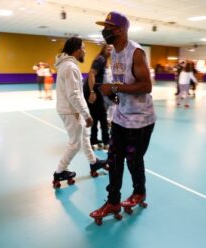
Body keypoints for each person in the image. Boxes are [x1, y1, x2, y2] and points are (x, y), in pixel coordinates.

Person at [89, 11, 156, 224]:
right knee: (114, 159)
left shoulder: (135, 52)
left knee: (133, 160)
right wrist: (113, 94)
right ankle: (113, 201)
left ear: (121, 30)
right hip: (120, 116)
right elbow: (123, 86)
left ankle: (139, 192)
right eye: (105, 26)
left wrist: (116, 87)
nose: (105, 31)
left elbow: (146, 86)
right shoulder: (114, 53)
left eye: (109, 27)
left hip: (140, 119)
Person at [53, 37, 108, 188]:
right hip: (71, 111)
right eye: (83, 48)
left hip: (70, 109)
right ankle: (60, 171)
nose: (85, 50)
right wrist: (86, 114)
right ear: (76, 50)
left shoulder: (67, 65)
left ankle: (93, 162)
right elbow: (74, 95)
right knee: (75, 144)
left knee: (85, 136)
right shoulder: (70, 67)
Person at [83, 44, 112, 150]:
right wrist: (91, 91)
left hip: (95, 88)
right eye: (108, 46)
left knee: (96, 116)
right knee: (103, 116)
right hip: (93, 89)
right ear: (103, 48)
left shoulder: (105, 60)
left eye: (112, 47)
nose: (110, 48)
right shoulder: (101, 59)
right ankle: (106, 142)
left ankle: (94, 140)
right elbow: (91, 74)